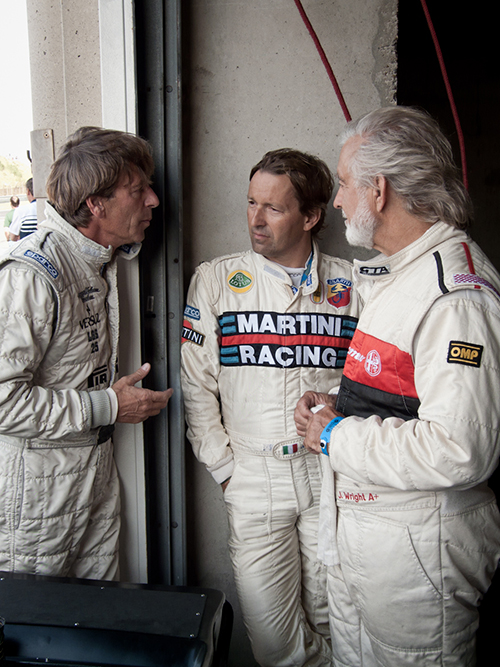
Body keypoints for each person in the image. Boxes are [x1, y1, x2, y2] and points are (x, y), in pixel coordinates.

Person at [296, 106, 500, 666]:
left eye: (343, 184)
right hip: (377, 543)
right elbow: (408, 399)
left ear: (378, 190)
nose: (337, 201)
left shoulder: (455, 295)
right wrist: (342, 407)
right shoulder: (404, 274)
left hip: (417, 557)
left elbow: (461, 449)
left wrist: (336, 435)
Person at [181, 148, 361, 667]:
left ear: (311, 217)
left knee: (338, 623)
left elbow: (374, 384)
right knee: (275, 644)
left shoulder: (355, 285)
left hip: (330, 473)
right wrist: (224, 469)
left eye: (273, 208)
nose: (255, 220)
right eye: (251, 203)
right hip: (254, 477)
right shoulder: (217, 279)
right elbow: (197, 384)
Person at [0, 126, 172, 580]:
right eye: (138, 191)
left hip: (91, 476)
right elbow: (3, 401)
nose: (153, 200)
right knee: (33, 632)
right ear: (95, 204)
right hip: (38, 493)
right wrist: (111, 404)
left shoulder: (98, 256)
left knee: (93, 623)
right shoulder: (33, 276)